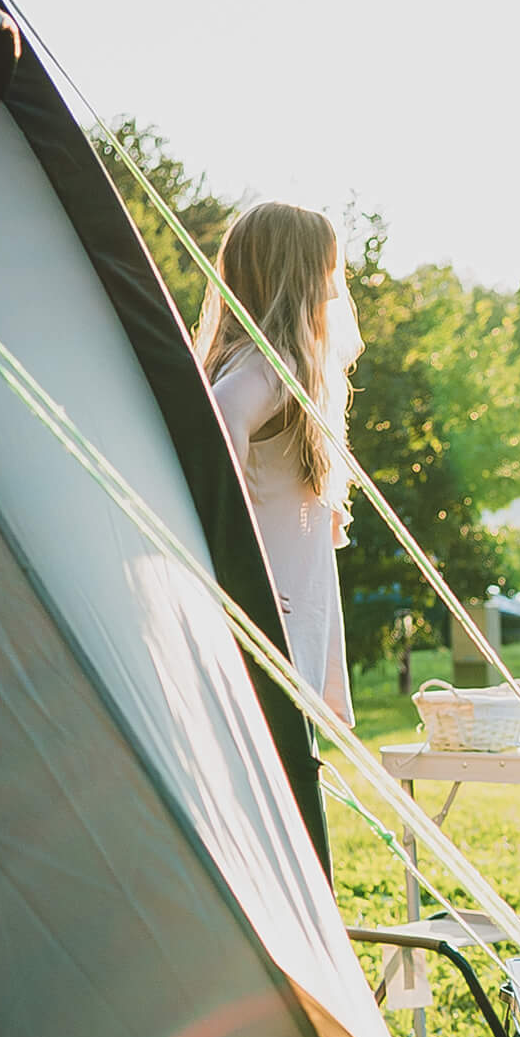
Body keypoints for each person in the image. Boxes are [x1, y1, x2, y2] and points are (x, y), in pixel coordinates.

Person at [200, 201, 363, 726]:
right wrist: (239, 567)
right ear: (292, 275)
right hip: (271, 608)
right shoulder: (272, 364)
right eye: (326, 271)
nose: (336, 291)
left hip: (284, 600)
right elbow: (222, 416)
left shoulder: (260, 360)